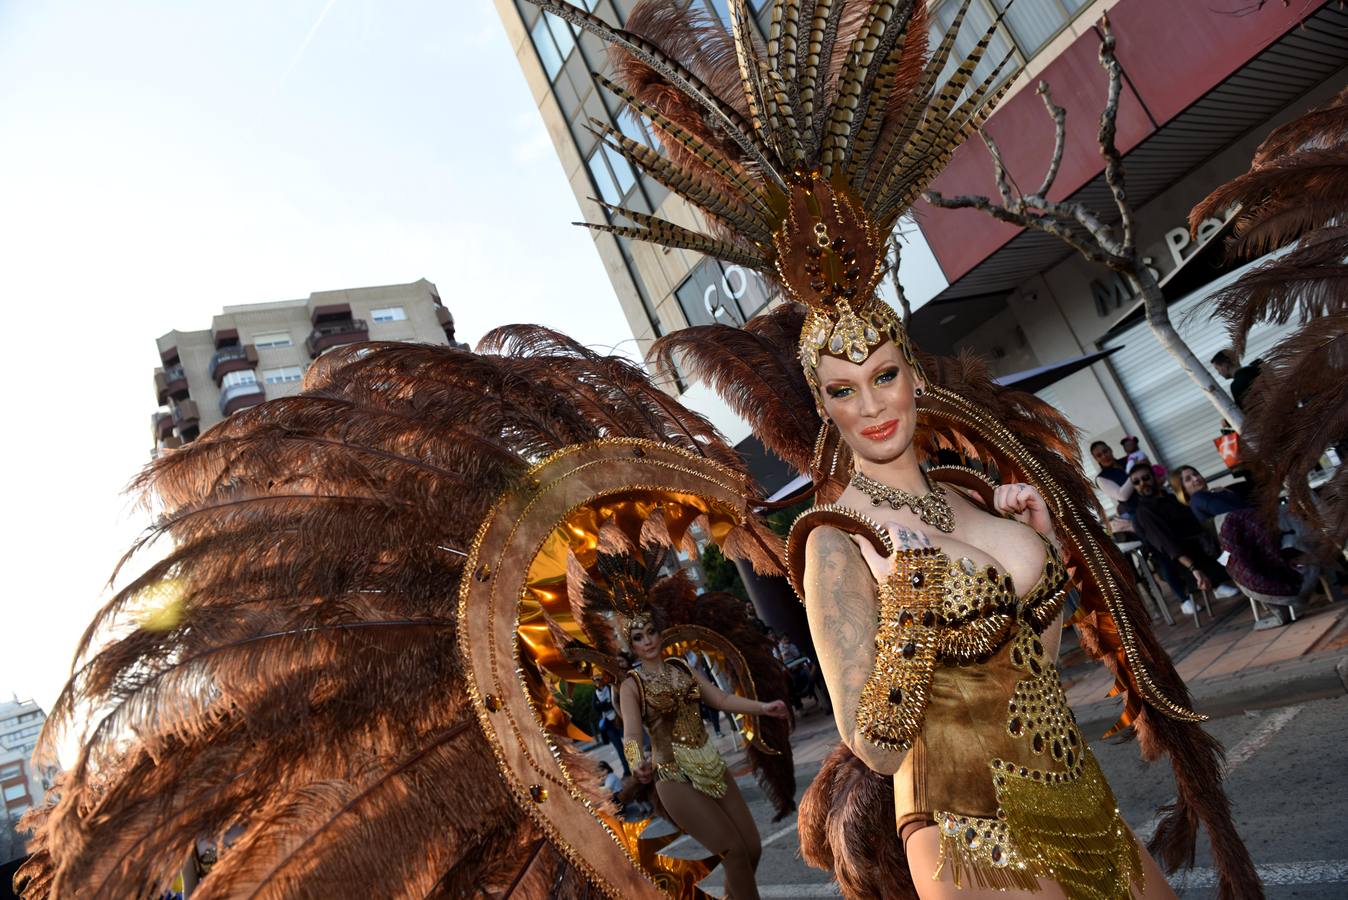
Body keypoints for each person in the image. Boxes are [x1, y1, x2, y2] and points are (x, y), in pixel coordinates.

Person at [619, 611, 789, 900]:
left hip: (712, 765)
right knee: (734, 852)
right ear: (631, 645)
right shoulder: (631, 686)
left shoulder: (682, 667)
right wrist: (636, 762)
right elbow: (632, 735)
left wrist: (763, 708)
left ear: (660, 633)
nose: (647, 641)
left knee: (751, 848)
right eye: (638, 637)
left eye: (651, 632)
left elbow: (720, 699)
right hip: (673, 776)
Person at [1129, 463, 1242, 610]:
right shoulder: (1144, 512)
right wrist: (1193, 568)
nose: (1142, 483)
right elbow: (1167, 545)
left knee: (1237, 544)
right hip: (1189, 562)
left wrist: (1218, 494)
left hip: (1209, 549)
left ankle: (1234, 581)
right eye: (1136, 482)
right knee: (1236, 554)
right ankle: (1229, 584)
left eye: (1145, 478)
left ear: (1154, 478)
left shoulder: (1171, 498)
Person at [592, 674, 630, 776]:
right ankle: (627, 769)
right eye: (595, 680)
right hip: (608, 724)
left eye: (599, 679)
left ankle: (636, 764)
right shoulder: (595, 694)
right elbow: (596, 708)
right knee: (619, 748)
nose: (597, 682)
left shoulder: (610, 688)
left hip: (618, 720)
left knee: (629, 742)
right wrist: (607, 704)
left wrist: (604, 705)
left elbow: (616, 702)